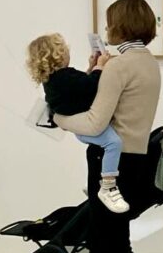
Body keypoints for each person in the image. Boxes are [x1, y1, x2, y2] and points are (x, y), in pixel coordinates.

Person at [52, 0, 163, 253]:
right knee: (102, 240)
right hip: (136, 160)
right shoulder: (146, 62)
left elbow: (95, 123)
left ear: (120, 26)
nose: (106, 28)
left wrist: (59, 120)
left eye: (109, 22)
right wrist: (94, 73)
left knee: (116, 248)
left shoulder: (118, 67)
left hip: (109, 164)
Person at [25, 33, 128, 214]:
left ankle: (95, 184)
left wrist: (92, 66)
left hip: (80, 126)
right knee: (114, 143)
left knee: (105, 148)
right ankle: (108, 186)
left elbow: (80, 86)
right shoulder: (64, 78)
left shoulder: (54, 79)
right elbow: (90, 86)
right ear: (58, 55)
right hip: (85, 125)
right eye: (64, 50)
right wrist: (100, 66)